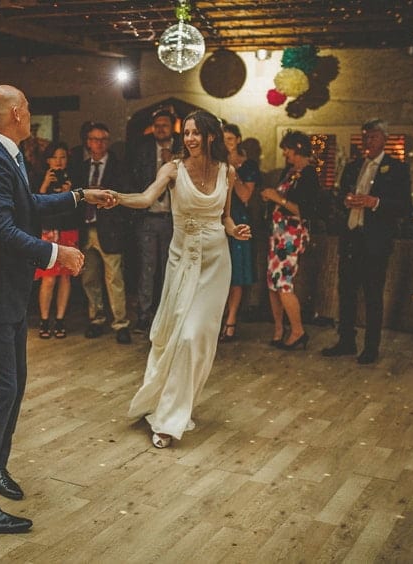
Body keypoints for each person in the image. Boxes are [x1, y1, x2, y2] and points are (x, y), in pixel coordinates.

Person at [0, 84, 115, 534]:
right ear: (17, 114)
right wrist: (57, 254)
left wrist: (80, 196)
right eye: (27, 107)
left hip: (4, 293)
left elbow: (27, 204)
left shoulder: (7, 155)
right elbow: (1, 232)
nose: (30, 112)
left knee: (13, 388)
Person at [112, 110, 250, 449]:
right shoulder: (172, 169)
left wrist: (235, 230)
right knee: (175, 335)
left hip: (216, 263)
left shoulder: (227, 172)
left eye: (195, 133)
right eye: (186, 133)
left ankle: (171, 417)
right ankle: (165, 407)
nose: (189, 138)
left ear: (210, 136)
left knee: (194, 338)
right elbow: (146, 198)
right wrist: (115, 197)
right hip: (183, 260)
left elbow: (226, 217)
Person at [321, 119, 411, 364]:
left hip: (375, 241)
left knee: (372, 294)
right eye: (365, 137)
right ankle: (346, 341)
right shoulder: (353, 167)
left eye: (372, 136)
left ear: (384, 139)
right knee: (346, 291)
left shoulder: (397, 169)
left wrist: (375, 202)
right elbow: (340, 196)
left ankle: (371, 347)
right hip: (351, 237)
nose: (367, 141)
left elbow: (404, 206)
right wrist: (346, 201)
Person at [69, 123, 133, 344]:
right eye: (95, 139)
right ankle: (96, 318)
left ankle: (120, 323)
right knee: (89, 277)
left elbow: (126, 196)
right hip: (86, 229)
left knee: (114, 278)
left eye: (103, 139)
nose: (99, 143)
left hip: (110, 230)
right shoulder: (80, 167)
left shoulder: (119, 166)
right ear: (88, 142)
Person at [259, 131, 320, 351]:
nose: (285, 153)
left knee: (283, 283)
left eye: (287, 149)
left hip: (291, 236)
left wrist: (278, 198)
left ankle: (298, 330)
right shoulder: (290, 172)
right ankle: (279, 328)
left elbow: (304, 210)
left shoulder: (309, 175)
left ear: (298, 149)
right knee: (273, 282)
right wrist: (271, 198)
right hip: (277, 234)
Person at [128, 109, 183, 333]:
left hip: (173, 219)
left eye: (165, 125)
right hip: (148, 217)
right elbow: (133, 179)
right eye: (157, 125)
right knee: (147, 268)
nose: (160, 129)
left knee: (171, 267)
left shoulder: (183, 150)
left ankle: (168, 314)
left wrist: (174, 162)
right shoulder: (142, 149)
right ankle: (144, 315)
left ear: (173, 127)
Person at [219, 123, 260, 342]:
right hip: (218, 219)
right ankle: (217, 318)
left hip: (238, 218)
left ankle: (231, 320)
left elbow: (245, 196)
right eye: (223, 139)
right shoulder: (215, 162)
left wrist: (233, 174)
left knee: (236, 273)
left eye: (230, 139)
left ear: (238, 140)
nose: (226, 143)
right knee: (218, 273)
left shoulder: (248, 165)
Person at [34, 142, 78, 339]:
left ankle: (60, 319)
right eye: (55, 157)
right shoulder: (39, 177)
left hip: (68, 229)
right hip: (48, 232)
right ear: (48, 160)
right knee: (48, 277)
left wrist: (69, 193)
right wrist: (45, 185)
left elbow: (77, 209)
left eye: (63, 157)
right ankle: (44, 319)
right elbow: (34, 205)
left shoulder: (73, 177)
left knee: (65, 277)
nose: (59, 162)